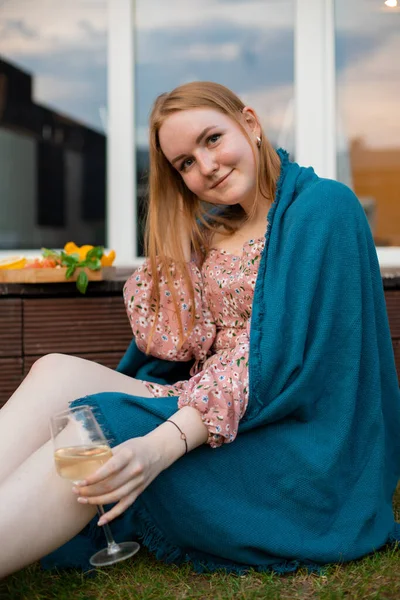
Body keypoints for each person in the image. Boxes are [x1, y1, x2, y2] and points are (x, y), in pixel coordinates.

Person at [1, 81, 400, 579]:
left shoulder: (323, 209)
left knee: (100, 428)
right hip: (208, 404)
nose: (205, 166)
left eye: (212, 139)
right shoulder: (213, 228)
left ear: (250, 124)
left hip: (290, 438)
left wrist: (163, 441)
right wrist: (177, 249)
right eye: (185, 163)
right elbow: (177, 345)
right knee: (55, 372)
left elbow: (271, 362)